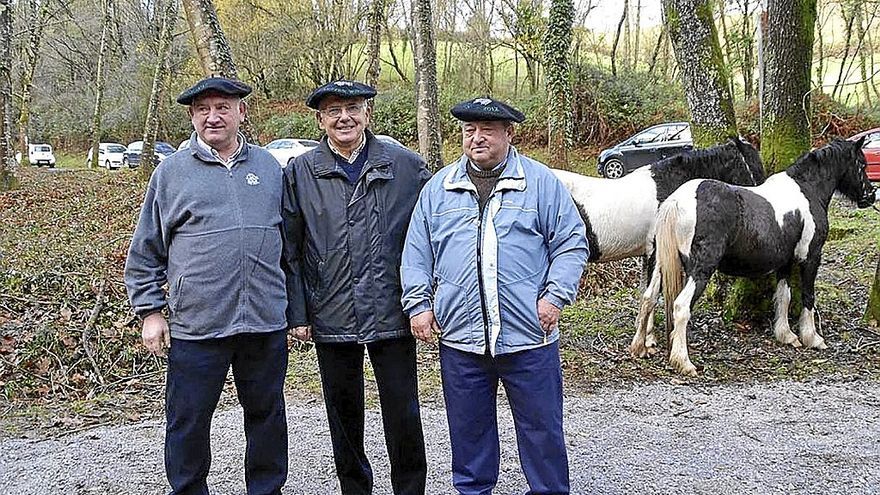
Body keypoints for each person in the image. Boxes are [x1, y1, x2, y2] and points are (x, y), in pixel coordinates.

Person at [400, 97, 589, 495]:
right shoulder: (440, 188)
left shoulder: (540, 183)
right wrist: (418, 304)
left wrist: (554, 297)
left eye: (488, 129)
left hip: (529, 338)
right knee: (469, 437)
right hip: (461, 342)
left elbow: (572, 244)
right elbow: (416, 252)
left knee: (542, 433)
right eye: (470, 130)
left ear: (509, 133)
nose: (477, 138)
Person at [124, 76, 301, 495]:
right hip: (196, 325)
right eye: (203, 110)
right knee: (187, 421)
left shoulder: (269, 169)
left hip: (263, 322)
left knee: (267, 417)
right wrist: (150, 311)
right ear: (192, 117)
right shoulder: (171, 173)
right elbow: (146, 248)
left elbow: (290, 247)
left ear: (242, 112)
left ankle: (267, 489)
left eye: (223, 107)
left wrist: (295, 311)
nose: (213, 116)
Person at [284, 80, 430, 494]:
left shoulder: (406, 166)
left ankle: (410, 488)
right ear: (320, 120)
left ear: (367, 113)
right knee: (343, 415)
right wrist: (297, 313)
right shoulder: (301, 172)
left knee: (403, 411)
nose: (343, 117)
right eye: (333, 111)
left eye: (352, 108)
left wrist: (425, 300)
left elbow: (429, 239)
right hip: (330, 311)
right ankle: (354, 488)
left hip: (392, 309)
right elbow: (290, 248)